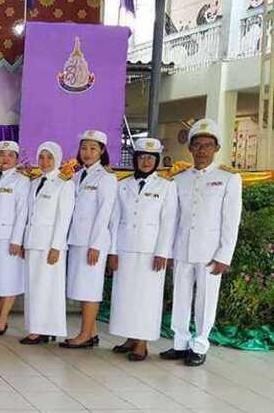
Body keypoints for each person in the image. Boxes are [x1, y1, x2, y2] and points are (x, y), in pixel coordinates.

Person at [163, 119, 242, 366]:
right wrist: (167, 251)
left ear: (216, 148)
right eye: (197, 145)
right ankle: (180, 343)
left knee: (205, 300)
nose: (202, 150)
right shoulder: (179, 179)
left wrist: (224, 255)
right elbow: (173, 218)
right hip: (182, 247)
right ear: (190, 148)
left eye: (208, 145)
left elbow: (231, 221)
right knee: (181, 297)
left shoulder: (228, 178)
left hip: (210, 252)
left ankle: (199, 345)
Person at [107, 138, 177, 361]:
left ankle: (142, 343)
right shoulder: (122, 184)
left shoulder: (166, 186)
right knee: (125, 296)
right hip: (125, 248)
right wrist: (112, 251)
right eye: (142, 157)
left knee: (147, 297)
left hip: (150, 251)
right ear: (135, 159)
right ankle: (130, 338)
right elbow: (114, 220)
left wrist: (162, 252)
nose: (146, 161)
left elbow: (169, 221)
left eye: (151, 158)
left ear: (156, 160)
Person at [61, 130, 117, 349]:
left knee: (90, 289)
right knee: (81, 287)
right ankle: (91, 333)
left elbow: (105, 214)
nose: (87, 152)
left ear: (102, 151)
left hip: (92, 243)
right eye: (84, 148)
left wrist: (95, 245)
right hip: (77, 239)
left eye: (93, 148)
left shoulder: (106, 178)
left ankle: (84, 335)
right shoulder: (77, 176)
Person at [21, 141, 75, 345]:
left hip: (50, 245)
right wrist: (25, 242)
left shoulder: (64, 184)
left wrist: (56, 247)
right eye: (41, 157)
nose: (44, 162)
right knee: (34, 287)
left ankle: (43, 329)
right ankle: (38, 327)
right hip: (33, 242)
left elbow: (64, 218)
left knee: (47, 288)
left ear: (57, 159)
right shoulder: (35, 182)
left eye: (49, 157)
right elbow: (30, 215)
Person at [0, 140, 29, 336]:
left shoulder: (21, 181)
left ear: (16, 159)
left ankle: (2, 320)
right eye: (1, 154)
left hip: (8, 238)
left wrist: (17, 240)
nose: (5, 158)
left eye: (10, 155)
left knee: (8, 280)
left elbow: (22, 212)